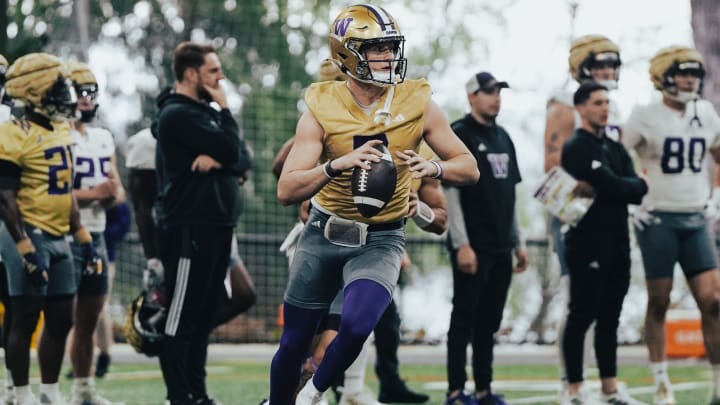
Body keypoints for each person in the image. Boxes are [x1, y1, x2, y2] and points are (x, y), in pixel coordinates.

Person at [267, 4, 479, 405]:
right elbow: (286, 188)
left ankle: (312, 393)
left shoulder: (417, 101)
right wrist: (334, 165)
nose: (388, 56)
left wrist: (431, 167)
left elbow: (470, 167)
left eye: (390, 47)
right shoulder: (321, 104)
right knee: (294, 341)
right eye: (377, 48)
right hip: (323, 232)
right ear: (347, 53)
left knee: (358, 322)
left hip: (381, 238)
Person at [153, 41, 252, 405]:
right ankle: (179, 397)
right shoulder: (179, 114)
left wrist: (225, 158)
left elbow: (244, 157)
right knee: (180, 318)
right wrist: (225, 114)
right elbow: (233, 150)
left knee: (204, 315)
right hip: (188, 229)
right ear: (191, 74)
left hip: (217, 228)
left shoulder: (203, 113)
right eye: (213, 71)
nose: (220, 77)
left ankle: (199, 394)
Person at [0, 52, 101, 405]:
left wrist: (82, 235)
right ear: (34, 90)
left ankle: (49, 393)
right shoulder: (12, 133)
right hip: (27, 232)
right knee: (24, 317)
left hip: (59, 233)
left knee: (61, 318)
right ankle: (21, 394)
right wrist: (25, 246)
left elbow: (66, 191)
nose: (65, 93)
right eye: (58, 86)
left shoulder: (61, 128)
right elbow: (5, 197)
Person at [622, 46, 720, 405]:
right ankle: (662, 382)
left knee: (713, 302)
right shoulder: (644, 115)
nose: (690, 79)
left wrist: (717, 193)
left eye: (695, 73)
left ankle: (717, 385)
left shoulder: (706, 112)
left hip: (696, 216)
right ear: (663, 76)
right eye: (682, 73)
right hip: (658, 217)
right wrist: (630, 197)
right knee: (659, 301)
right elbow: (616, 156)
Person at [542, 34, 623, 402]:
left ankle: (604, 385)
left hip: (609, 217)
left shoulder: (611, 109)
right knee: (577, 298)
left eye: (612, 65)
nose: (608, 71)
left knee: (605, 302)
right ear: (583, 67)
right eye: (601, 65)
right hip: (573, 213)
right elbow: (551, 166)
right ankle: (569, 383)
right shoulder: (564, 106)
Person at [560, 81, 648, 405]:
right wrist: (626, 184)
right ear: (581, 107)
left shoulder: (614, 147)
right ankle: (574, 391)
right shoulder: (576, 146)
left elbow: (638, 187)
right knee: (581, 314)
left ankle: (610, 390)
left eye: (607, 102)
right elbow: (616, 184)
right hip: (586, 243)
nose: (604, 108)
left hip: (619, 243)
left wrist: (625, 184)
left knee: (611, 316)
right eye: (597, 102)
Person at [443, 72, 528, 405]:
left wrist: (518, 242)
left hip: (500, 247)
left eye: (498, 91)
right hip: (472, 247)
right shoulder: (458, 134)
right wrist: (461, 243)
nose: (496, 97)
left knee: (489, 322)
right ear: (471, 97)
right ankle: (454, 391)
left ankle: (483, 389)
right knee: (463, 318)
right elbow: (451, 194)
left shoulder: (504, 137)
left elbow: (510, 196)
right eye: (489, 91)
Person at [63, 61, 126, 405]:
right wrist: (95, 194)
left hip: (97, 234)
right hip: (63, 233)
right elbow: (48, 191)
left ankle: (83, 390)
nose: (86, 99)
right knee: (60, 319)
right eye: (78, 92)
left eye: (90, 92)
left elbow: (117, 190)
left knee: (88, 318)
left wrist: (112, 192)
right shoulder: (58, 134)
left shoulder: (103, 137)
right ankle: (36, 390)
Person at [95, 201, 131, 378]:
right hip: (77, 252)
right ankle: (80, 355)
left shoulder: (113, 195)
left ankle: (105, 353)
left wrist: (98, 235)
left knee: (100, 306)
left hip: (104, 257)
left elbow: (123, 224)